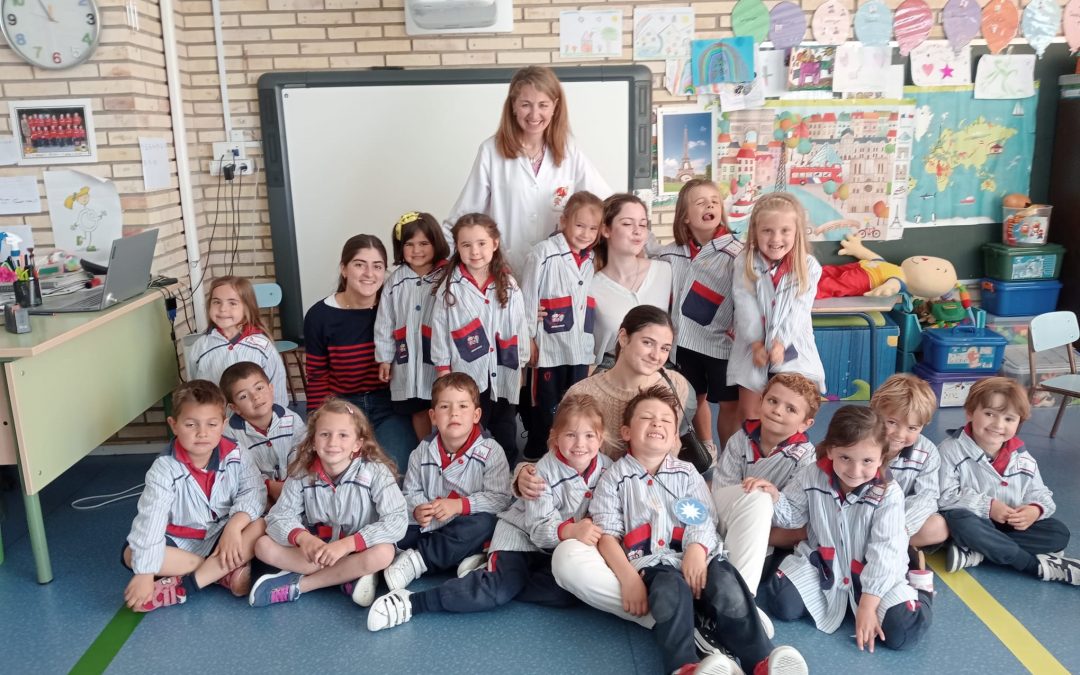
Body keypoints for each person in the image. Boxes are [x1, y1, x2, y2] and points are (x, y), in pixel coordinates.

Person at [586, 386, 808, 675]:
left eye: (666, 421)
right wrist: (629, 578)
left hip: (700, 557)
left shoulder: (687, 473)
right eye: (647, 418)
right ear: (627, 432)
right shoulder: (613, 478)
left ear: (676, 436)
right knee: (669, 593)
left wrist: (695, 549)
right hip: (653, 564)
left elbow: (702, 518)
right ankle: (684, 667)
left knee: (727, 586)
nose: (657, 423)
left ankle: (761, 660)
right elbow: (607, 534)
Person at [366, 394, 611, 631]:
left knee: (568, 593)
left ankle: (485, 574)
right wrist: (572, 530)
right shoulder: (542, 472)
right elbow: (539, 532)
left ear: (601, 439)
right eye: (571, 435)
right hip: (522, 539)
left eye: (589, 436)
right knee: (497, 591)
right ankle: (412, 602)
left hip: (556, 549)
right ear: (555, 437)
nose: (580, 444)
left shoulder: (607, 469)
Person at [756, 406, 932, 653]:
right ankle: (851, 602)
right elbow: (793, 515)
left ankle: (921, 585)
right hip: (827, 565)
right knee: (782, 604)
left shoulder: (889, 493)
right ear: (831, 451)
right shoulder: (811, 475)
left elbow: (885, 552)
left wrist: (869, 605)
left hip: (877, 568)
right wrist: (774, 497)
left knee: (903, 633)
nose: (855, 470)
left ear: (881, 457)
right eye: (845, 458)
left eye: (867, 461)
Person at [443, 65, 611, 274]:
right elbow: (464, 215)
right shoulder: (491, 151)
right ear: (513, 105)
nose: (534, 114)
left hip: (556, 273)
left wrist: (639, 240)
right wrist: (436, 261)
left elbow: (607, 203)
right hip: (506, 271)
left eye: (543, 105)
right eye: (525, 105)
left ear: (555, 106)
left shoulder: (569, 151)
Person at [121, 380, 266, 612]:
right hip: (181, 543)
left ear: (223, 425)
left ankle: (187, 585)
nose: (202, 433)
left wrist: (234, 527)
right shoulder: (164, 468)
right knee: (132, 554)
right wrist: (145, 574)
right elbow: (152, 518)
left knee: (260, 526)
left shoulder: (236, 452)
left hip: (222, 537)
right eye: (190, 425)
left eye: (211, 424)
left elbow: (254, 491)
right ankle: (220, 574)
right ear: (174, 425)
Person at [248, 398, 408, 607]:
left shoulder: (375, 471)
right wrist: (304, 539)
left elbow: (397, 519)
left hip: (357, 550)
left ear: (357, 443)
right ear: (313, 441)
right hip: (316, 552)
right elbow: (279, 517)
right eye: (325, 434)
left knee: (384, 553)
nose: (333, 442)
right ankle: (347, 577)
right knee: (262, 546)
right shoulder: (301, 474)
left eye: (343, 435)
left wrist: (347, 545)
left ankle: (301, 586)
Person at [938, 376, 1080, 584]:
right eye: (989, 414)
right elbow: (944, 496)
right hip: (975, 523)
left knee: (1058, 533)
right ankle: (1033, 566)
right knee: (961, 522)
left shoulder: (1022, 457)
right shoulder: (950, 449)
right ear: (970, 412)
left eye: (1009, 419)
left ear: (1019, 422)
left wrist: (1034, 510)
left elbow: (1041, 494)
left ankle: (978, 553)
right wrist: (989, 506)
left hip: (1008, 527)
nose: (998, 424)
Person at [382, 373, 513, 591]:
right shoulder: (421, 452)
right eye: (445, 407)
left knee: (485, 525)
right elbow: (409, 493)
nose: (454, 413)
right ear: (433, 416)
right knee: (391, 523)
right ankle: (458, 557)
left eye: (463, 406)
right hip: (429, 525)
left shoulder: (492, 451)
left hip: (466, 524)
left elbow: (500, 500)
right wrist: (417, 509)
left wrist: (459, 506)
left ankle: (418, 561)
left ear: (476, 415)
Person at [303, 234, 418, 470]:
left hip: (389, 405)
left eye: (377, 266)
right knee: (346, 472)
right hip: (343, 404)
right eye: (359, 265)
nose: (369, 274)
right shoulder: (319, 316)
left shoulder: (396, 308)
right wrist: (317, 423)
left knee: (395, 470)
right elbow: (317, 376)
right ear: (344, 269)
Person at [431, 214, 530, 467]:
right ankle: (470, 479)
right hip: (468, 376)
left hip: (503, 372)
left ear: (495, 243)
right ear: (457, 248)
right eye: (466, 245)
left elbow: (519, 326)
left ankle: (505, 481)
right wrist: (444, 372)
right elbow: (441, 332)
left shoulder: (509, 285)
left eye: (481, 243)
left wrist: (521, 365)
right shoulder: (451, 288)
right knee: (470, 431)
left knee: (505, 430)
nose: (475, 251)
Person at [712, 372, 819, 596]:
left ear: (805, 424)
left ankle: (740, 594)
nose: (778, 411)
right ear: (761, 402)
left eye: (791, 409)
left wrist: (773, 495)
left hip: (771, 528)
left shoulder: (806, 458)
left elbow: (795, 516)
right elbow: (721, 492)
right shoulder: (739, 439)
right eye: (772, 401)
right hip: (735, 515)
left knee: (764, 501)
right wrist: (749, 497)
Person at [656, 179, 743, 450]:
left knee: (729, 403)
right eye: (700, 202)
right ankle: (707, 448)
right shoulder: (668, 254)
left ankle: (731, 454)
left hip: (722, 345)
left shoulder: (736, 254)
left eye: (715, 201)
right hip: (683, 344)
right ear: (684, 216)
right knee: (694, 399)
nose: (709, 205)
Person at [520, 191, 604, 459]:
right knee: (545, 405)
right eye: (580, 225)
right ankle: (540, 452)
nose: (586, 233)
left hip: (580, 349)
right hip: (549, 348)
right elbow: (528, 298)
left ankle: (571, 456)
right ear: (564, 221)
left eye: (593, 228)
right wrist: (529, 338)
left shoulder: (595, 258)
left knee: (576, 404)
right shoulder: (543, 253)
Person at [728, 193, 825, 421]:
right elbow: (744, 304)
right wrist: (755, 343)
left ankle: (781, 455)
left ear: (797, 232)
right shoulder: (745, 262)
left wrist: (780, 342)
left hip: (792, 346)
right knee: (750, 413)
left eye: (784, 231)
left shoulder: (808, 266)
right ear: (755, 231)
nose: (775, 238)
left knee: (788, 413)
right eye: (767, 230)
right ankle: (748, 456)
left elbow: (798, 310)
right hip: (753, 347)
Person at [375, 211, 451, 442]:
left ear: (436, 243)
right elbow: (385, 321)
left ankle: (449, 450)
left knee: (444, 405)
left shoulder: (448, 276)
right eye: (409, 244)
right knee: (417, 407)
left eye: (424, 243)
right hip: (407, 359)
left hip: (439, 358)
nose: (417, 250)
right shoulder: (395, 281)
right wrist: (385, 358)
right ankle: (425, 450)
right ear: (400, 247)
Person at [871, 373, 948, 586]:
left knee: (938, 527)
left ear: (923, 426)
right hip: (861, 517)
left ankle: (892, 547)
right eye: (892, 422)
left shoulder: (927, 452)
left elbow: (927, 497)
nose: (899, 434)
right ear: (875, 412)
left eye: (912, 428)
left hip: (901, 524)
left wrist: (900, 528)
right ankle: (899, 554)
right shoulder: (861, 438)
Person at [590, 193, 673, 368]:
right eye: (627, 223)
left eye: (643, 224)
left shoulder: (666, 271)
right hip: (610, 371)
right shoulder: (591, 285)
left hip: (659, 369)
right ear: (606, 230)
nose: (638, 231)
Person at [190, 275, 289, 409]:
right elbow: (196, 388)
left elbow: (277, 390)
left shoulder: (263, 347)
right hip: (216, 425)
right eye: (216, 302)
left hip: (255, 426)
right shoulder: (201, 346)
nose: (223, 309)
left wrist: (276, 423)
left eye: (232, 303)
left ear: (247, 307)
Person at [220, 361, 306, 504]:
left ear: (271, 389)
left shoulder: (292, 420)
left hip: (293, 487)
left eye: (259, 388)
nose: (256, 397)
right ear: (234, 408)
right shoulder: (229, 434)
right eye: (243, 396)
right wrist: (269, 486)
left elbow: (302, 455)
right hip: (253, 493)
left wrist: (289, 484)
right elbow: (236, 471)